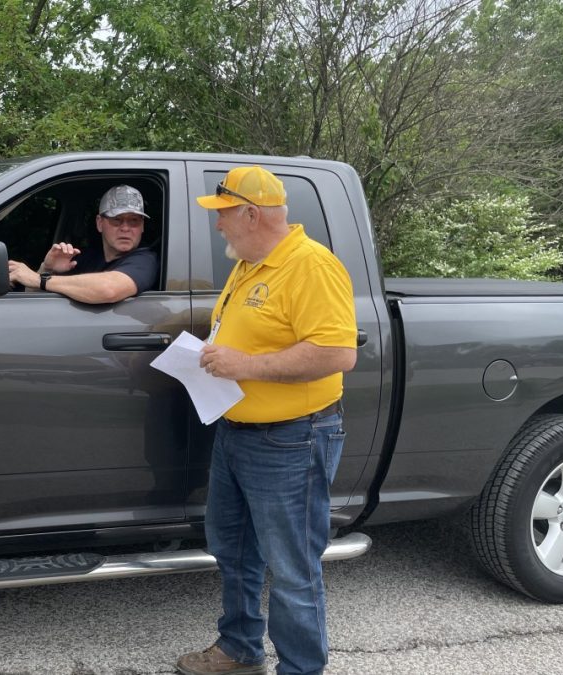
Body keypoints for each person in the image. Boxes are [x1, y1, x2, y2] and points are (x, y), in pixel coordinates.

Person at [176, 166, 357, 675]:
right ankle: (239, 647)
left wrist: (245, 366)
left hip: (292, 440)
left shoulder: (310, 266)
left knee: (293, 568)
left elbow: (338, 353)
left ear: (252, 214)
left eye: (223, 216)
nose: (218, 227)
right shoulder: (250, 262)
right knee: (233, 550)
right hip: (236, 433)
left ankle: (300, 668)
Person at [7, 184, 159, 303]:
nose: (125, 228)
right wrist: (47, 269)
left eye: (134, 221)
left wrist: (37, 279)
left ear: (142, 226)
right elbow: (33, 298)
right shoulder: (83, 258)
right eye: (116, 220)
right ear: (100, 223)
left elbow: (108, 289)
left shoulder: (145, 260)